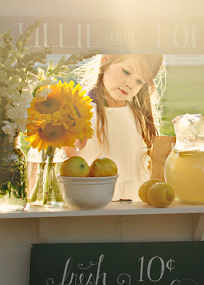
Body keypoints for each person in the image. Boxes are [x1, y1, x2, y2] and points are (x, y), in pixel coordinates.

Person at [64, 54, 166, 201]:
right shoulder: (81, 113)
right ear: (105, 59)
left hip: (132, 206)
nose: (130, 84)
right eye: (126, 72)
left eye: (139, 81)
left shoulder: (135, 114)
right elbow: (67, 167)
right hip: (94, 205)